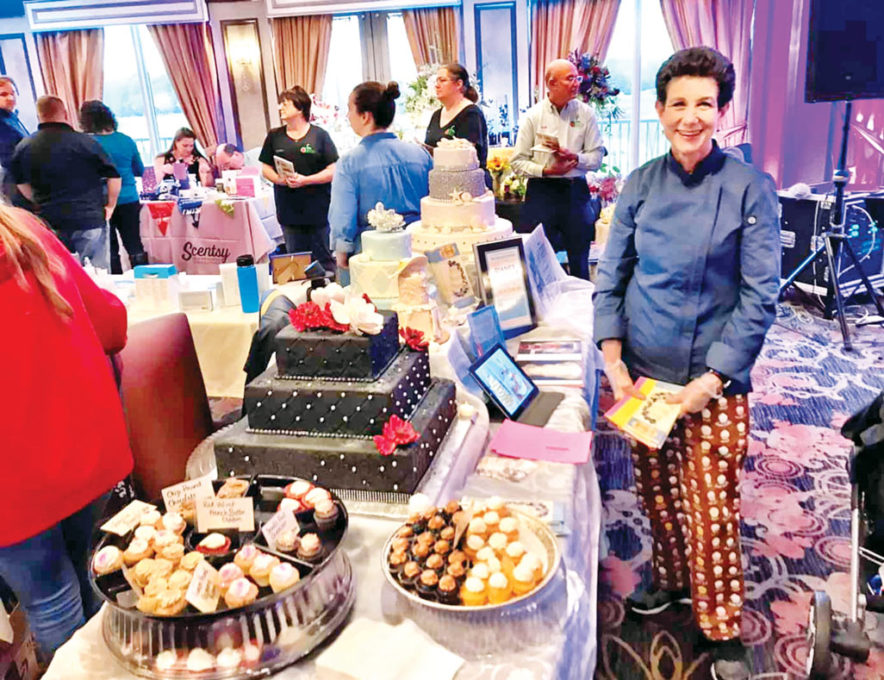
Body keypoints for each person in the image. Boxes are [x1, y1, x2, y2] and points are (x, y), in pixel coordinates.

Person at [593, 47, 780, 680]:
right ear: (660, 110)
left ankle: (722, 625)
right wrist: (614, 363)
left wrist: (711, 380)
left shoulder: (751, 187)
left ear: (721, 111)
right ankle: (671, 582)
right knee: (657, 496)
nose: (692, 117)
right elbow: (612, 274)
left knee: (711, 506)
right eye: (680, 104)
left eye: (705, 104)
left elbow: (759, 296)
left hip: (713, 382)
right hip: (645, 373)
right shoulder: (640, 183)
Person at [0, 204, 133, 663]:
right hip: (85, 446)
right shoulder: (26, 229)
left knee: (50, 599)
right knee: (90, 576)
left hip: (12, 480)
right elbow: (111, 324)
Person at [329, 81, 432, 284]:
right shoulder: (420, 154)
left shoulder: (349, 162)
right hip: (418, 250)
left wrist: (341, 251)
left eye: (350, 109)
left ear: (365, 116)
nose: (348, 116)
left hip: (372, 257)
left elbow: (343, 214)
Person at [511, 59, 605, 281]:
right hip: (543, 193)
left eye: (577, 78)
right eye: (570, 78)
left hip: (576, 193)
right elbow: (518, 162)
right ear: (552, 83)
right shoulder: (533, 116)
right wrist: (548, 171)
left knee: (580, 260)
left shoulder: (586, 113)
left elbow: (597, 157)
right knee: (544, 262)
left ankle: (583, 310)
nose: (576, 83)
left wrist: (575, 158)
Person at [10, 95, 120, 270]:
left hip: (50, 219)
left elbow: (20, 182)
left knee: (63, 275)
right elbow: (114, 175)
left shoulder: (25, 146)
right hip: (88, 216)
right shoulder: (86, 142)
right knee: (98, 276)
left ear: (40, 116)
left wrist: (37, 201)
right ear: (65, 113)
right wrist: (111, 205)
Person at [259, 87, 338, 273]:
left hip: (318, 211)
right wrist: (279, 180)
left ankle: (328, 295)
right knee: (296, 264)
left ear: (300, 107)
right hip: (289, 212)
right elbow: (265, 168)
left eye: (285, 104)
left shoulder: (320, 136)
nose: (280, 108)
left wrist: (307, 180)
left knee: (324, 261)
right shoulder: (274, 136)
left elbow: (333, 169)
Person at [79, 100, 147, 273]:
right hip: (129, 198)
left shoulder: (87, 143)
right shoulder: (126, 140)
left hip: (101, 201)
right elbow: (139, 170)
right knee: (134, 245)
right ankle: (146, 282)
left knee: (110, 249)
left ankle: (117, 284)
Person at [424, 63, 491, 187]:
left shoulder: (471, 114)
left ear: (459, 84)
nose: (437, 85)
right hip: (442, 184)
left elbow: (463, 157)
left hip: (468, 186)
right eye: (436, 81)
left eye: (442, 80)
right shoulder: (436, 115)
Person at [0, 76, 30, 207]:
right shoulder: (3, 123)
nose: (11, 98)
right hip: (16, 181)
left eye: (12, 93)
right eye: (3, 94)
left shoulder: (12, 118)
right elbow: (9, 158)